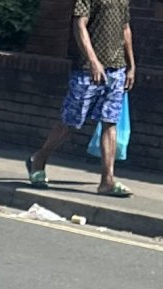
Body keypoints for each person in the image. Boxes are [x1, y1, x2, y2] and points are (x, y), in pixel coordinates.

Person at [27, 0, 136, 197]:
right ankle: (39, 159)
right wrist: (93, 61)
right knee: (71, 121)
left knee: (110, 122)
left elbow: (125, 28)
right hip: (87, 70)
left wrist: (131, 65)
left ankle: (107, 181)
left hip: (116, 69)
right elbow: (79, 25)